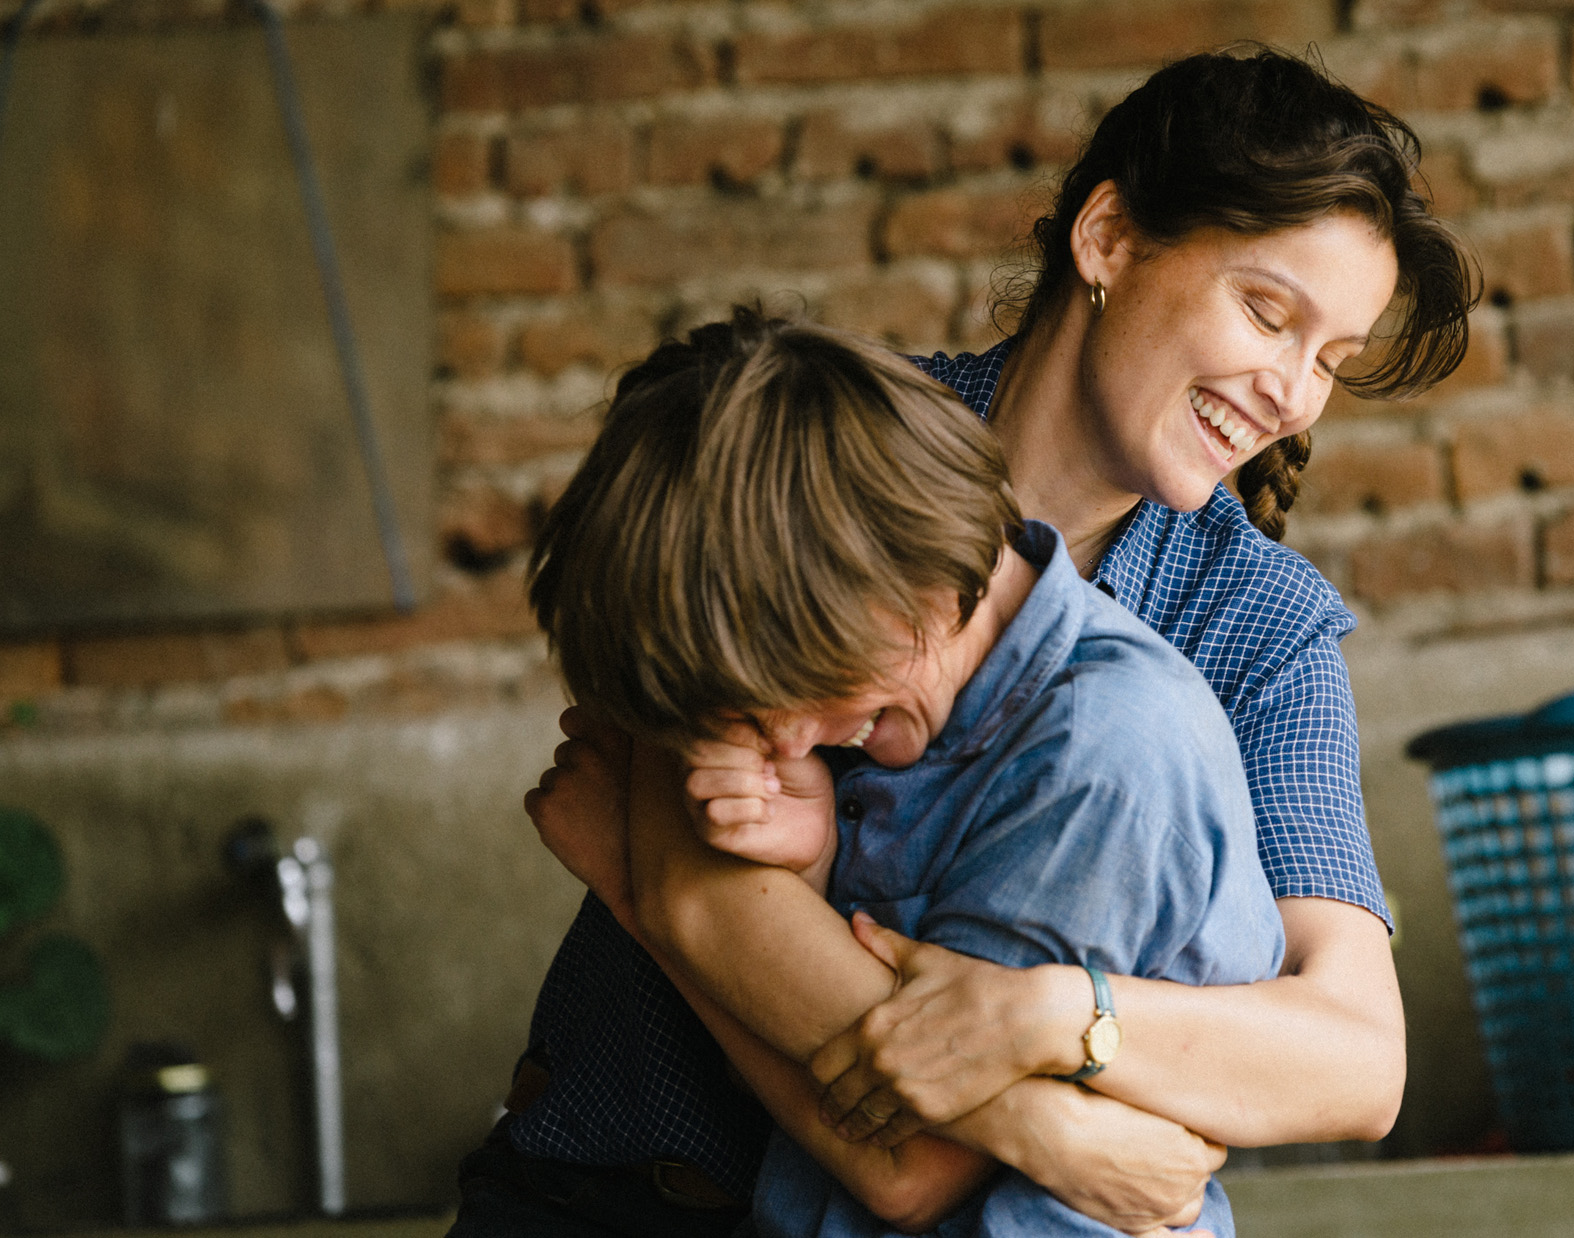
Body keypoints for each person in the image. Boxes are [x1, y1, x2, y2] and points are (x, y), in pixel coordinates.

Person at [491, 44, 1477, 1233]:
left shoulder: (1256, 629)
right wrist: (1052, 1122)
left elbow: (1353, 1058)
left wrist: (1054, 1017)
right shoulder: (826, 447)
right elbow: (701, 879)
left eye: (1332, 360)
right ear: (1107, 237)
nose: (1293, 393)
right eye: (1267, 312)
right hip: (612, 1194)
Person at [457, 307, 1283, 1237]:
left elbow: (908, 1165)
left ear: (907, 592)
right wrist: (802, 861)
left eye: (787, 697)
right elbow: (840, 1046)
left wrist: (640, 882)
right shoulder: (891, 685)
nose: (782, 740)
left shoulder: (1100, 758)